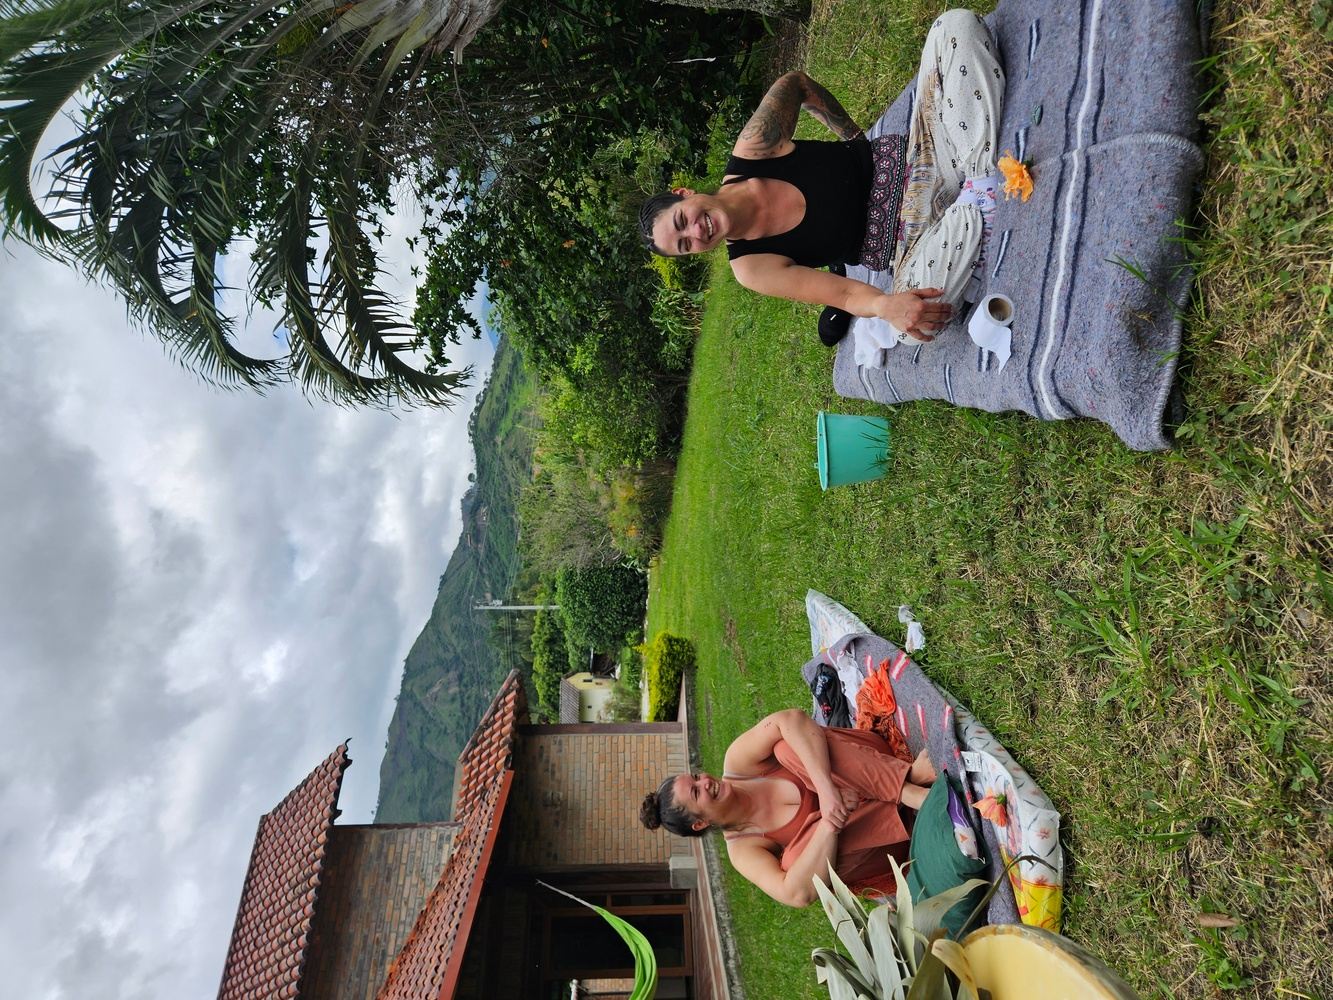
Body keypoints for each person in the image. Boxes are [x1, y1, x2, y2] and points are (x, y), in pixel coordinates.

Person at [638, 9, 1004, 347]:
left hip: (921, 156)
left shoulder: (754, 149)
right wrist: (886, 306)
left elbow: (795, 83)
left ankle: (975, 202)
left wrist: (854, 137)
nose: (696, 232)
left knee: (952, 28)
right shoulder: (751, 267)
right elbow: (844, 294)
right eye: (685, 244)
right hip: (909, 241)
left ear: (684, 193)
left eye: (682, 221)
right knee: (907, 327)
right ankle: (978, 189)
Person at [639, 708, 936, 907]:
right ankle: (908, 785)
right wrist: (828, 824)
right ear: (700, 823)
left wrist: (825, 789)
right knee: (794, 862)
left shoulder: (738, 761)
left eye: (696, 776)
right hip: (887, 836)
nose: (705, 781)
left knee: (786, 746)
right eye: (696, 791)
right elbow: (796, 895)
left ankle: (908, 788)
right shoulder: (742, 850)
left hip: (876, 760)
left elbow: (790, 719)